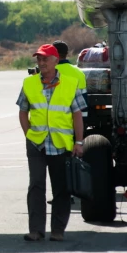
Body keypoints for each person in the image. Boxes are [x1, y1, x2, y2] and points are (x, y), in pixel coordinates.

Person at [17, 44, 86, 242]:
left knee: (61, 189)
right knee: (36, 186)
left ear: (56, 60)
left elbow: (77, 115)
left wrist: (79, 142)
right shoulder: (29, 83)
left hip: (61, 144)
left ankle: (57, 230)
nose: (41, 62)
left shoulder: (70, 83)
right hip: (36, 144)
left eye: (45, 59)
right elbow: (23, 111)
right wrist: (28, 134)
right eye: (39, 59)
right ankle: (36, 230)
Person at [50, 40, 87, 206]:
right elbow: (83, 101)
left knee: (58, 162)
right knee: (74, 159)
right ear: (68, 53)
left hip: (59, 123)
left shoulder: (50, 71)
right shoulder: (79, 72)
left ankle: (63, 194)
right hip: (79, 119)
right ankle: (78, 188)